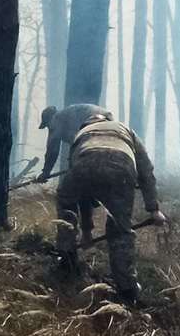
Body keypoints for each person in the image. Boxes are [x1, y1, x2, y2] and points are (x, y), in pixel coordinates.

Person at [56, 114, 166, 301]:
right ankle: (127, 289)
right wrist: (153, 209)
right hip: (121, 166)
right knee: (120, 230)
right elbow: (146, 171)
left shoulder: (82, 134)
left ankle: (67, 259)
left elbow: (81, 191)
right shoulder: (125, 130)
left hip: (84, 163)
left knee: (66, 205)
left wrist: (86, 231)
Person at [37, 103, 113, 182]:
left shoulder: (58, 119)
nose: (49, 129)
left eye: (48, 125)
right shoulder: (67, 116)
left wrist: (45, 172)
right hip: (108, 119)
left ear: (51, 118)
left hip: (94, 120)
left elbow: (52, 151)